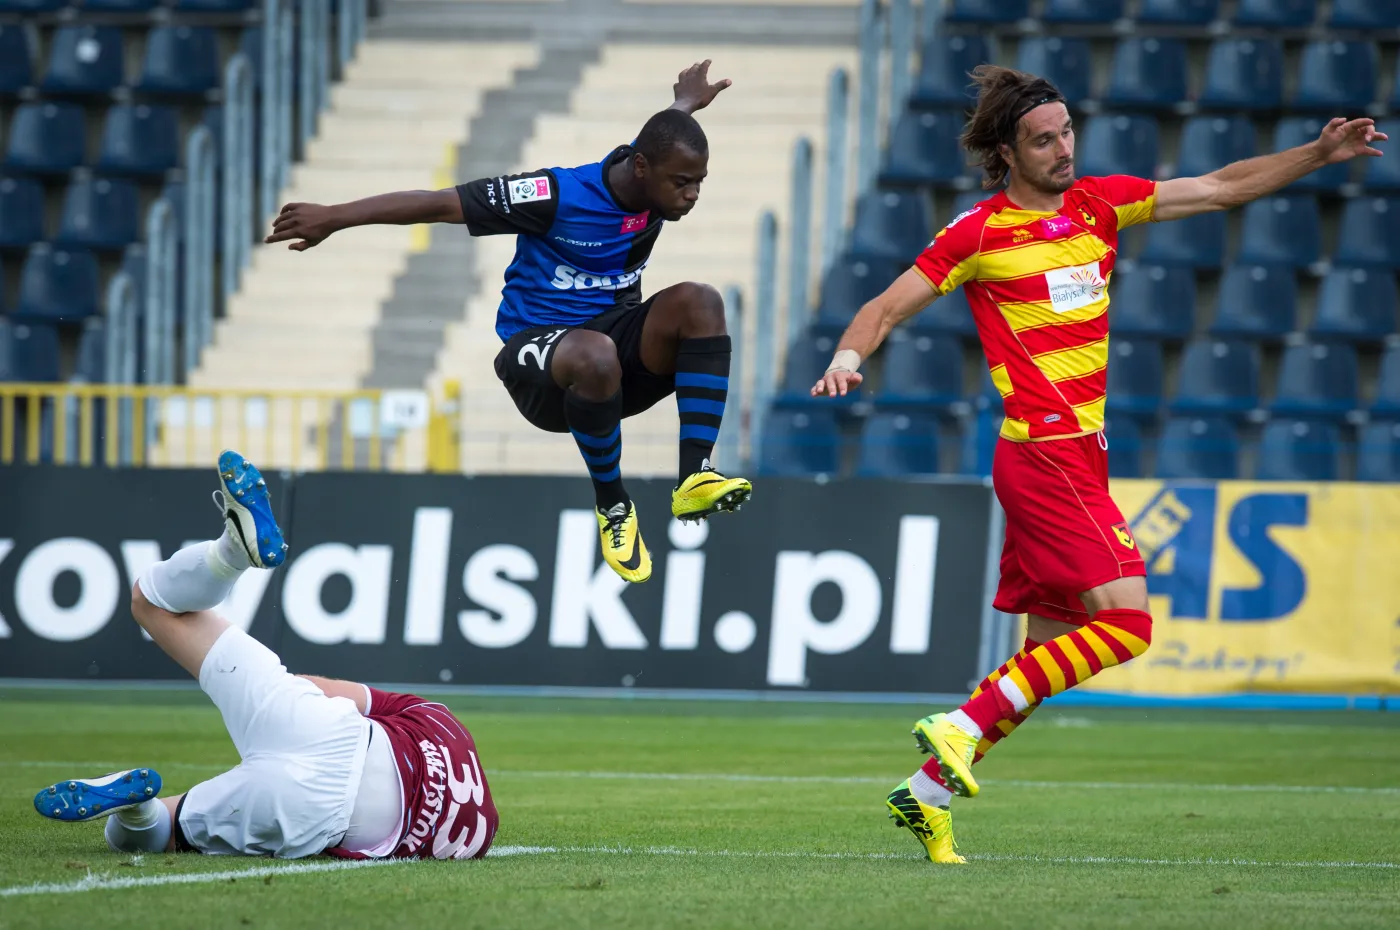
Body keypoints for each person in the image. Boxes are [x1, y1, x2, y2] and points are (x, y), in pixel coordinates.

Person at [812, 65, 1386, 864]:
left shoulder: (1100, 203)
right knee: (1129, 625)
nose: (1062, 150)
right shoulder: (977, 233)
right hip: (1044, 455)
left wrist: (1316, 156)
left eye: (1067, 132)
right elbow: (882, 307)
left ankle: (929, 792)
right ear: (1008, 153)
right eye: (1043, 140)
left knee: (1045, 657)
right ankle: (961, 724)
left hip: (1080, 455)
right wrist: (847, 355)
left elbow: (1220, 186)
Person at [262, 60, 752, 585]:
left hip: (616, 355)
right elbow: (438, 205)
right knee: (593, 354)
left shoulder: (653, 168)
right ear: (640, 170)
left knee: (701, 301)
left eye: (699, 182)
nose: (692, 195)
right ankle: (613, 505)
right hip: (544, 368)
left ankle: (694, 476)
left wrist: (684, 103)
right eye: (682, 182)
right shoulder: (553, 196)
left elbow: (663, 135)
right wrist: (334, 216)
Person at [33, 451, 498, 861]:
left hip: (323, 725)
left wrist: (269, 694)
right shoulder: (483, 831)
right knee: (160, 831)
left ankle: (230, 554)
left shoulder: (437, 718)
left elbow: (331, 692)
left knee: (149, 603)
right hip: (327, 810)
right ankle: (135, 811)